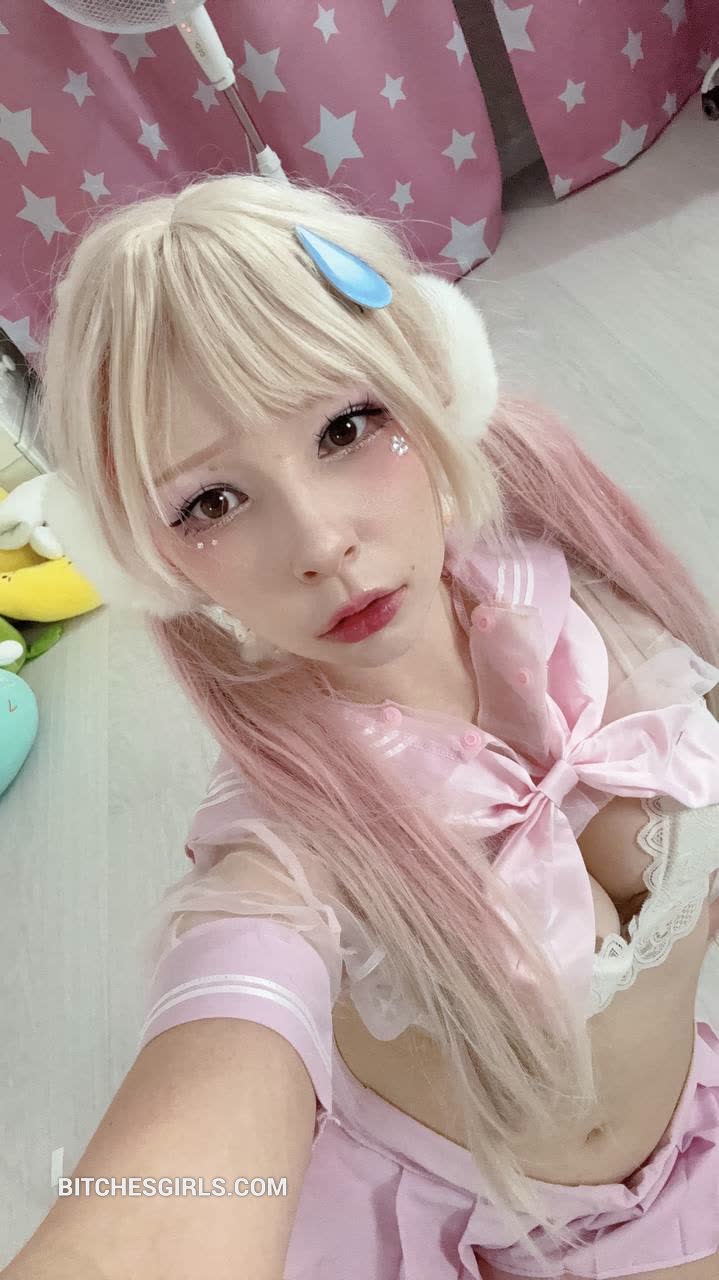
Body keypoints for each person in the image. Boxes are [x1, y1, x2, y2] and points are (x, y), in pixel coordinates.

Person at [3, 172, 719, 1280]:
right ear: (146, 561)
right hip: (484, 1229)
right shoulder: (277, 851)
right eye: (209, 501)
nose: (319, 540)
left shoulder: (586, 587)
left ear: (431, 387)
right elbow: (184, 1143)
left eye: (346, 425)